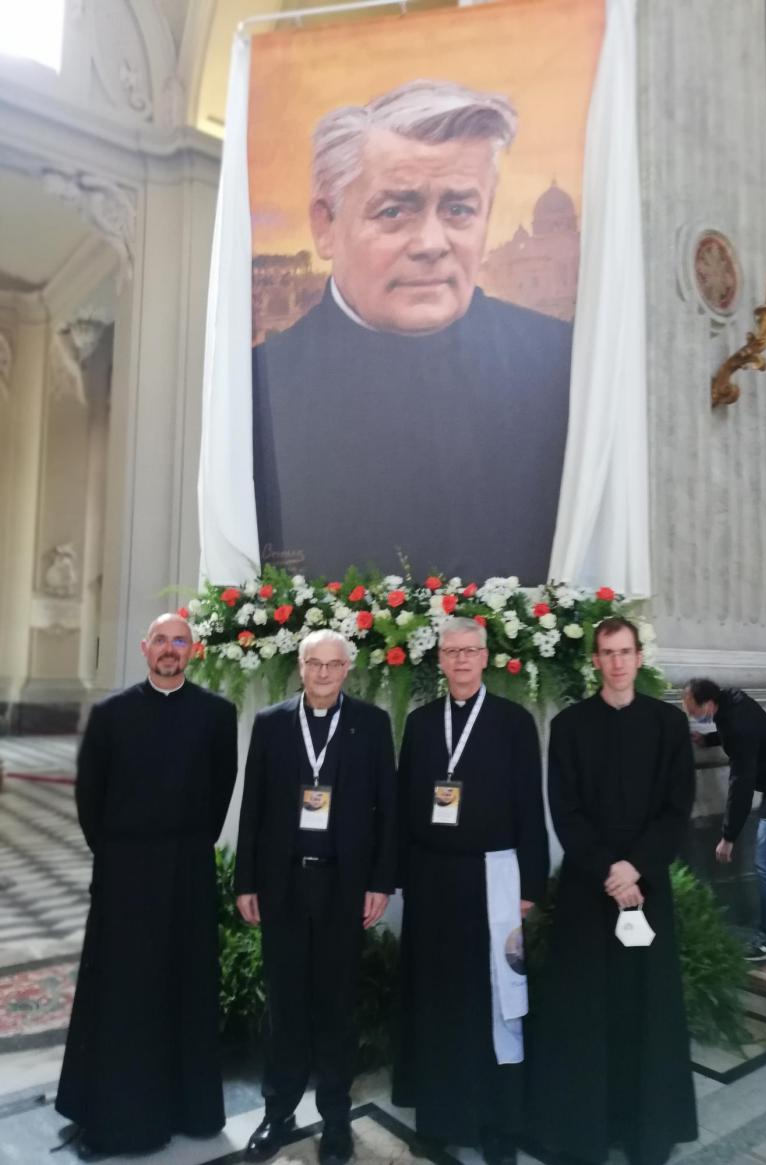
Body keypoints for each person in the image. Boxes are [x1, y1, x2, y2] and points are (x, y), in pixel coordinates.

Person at [252, 79, 573, 583]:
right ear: (326, 226)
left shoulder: (562, 364)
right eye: (395, 210)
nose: (431, 243)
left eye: (459, 210)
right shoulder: (259, 387)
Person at [55, 613, 237, 1160]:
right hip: (125, 875)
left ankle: (191, 1111)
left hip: (186, 873)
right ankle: (113, 1119)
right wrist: (119, 855)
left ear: (193, 651)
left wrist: (182, 850)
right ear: (144, 649)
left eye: (179, 641)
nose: (169, 649)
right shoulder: (111, 715)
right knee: (121, 998)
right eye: (160, 640)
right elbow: (90, 798)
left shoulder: (217, 714)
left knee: (186, 989)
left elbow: (220, 792)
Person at [529, 617, 697, 1165]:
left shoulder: (669, 723)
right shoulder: (572, 725)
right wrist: (609, 869)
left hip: (645, 890)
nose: (618, 662)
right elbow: (566, 811)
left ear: (638, 657)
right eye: (608, 652)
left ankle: (647, 1131)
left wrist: (636, 869)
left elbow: (678, 808)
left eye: (626, 652)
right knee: (585, 1011)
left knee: (645, 1009)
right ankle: (585, 1132)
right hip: (588, 888)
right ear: (595, 661)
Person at [236, 629, 396, 1164]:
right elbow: (253, 809)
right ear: (300, 667)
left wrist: (379, 882)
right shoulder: (272, 723)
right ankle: (277, 1113)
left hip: (343, 887)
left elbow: (387, 813)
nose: (324, 673)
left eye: (333, 665)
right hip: (283, 885)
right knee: (284, 1008)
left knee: (336, 1008)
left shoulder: (371, 725)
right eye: (314, 664)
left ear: (347, 669)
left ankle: (334, 1119)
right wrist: (246, 883)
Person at [393, 617, 548, 1165]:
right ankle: (438, 1119)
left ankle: (497, 1124)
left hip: (495, 878)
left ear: (486, 658)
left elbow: (531, 804)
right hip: (433, 879)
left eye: (470, 651)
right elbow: (403, 806)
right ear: (439, 659)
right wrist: (400, 873)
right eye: (451, 651)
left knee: (495, 999)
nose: (460, 660)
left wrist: (531, 883)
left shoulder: (513, 722)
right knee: (437, 996)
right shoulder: (419, 722)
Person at [682, 678, 766, 961]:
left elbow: (741, 783)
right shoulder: (732, 701)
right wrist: (709, 739)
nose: (692, 716)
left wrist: (728, 837)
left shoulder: (737, 723)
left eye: (693, 710)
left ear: (708, 703)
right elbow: (743, 735)